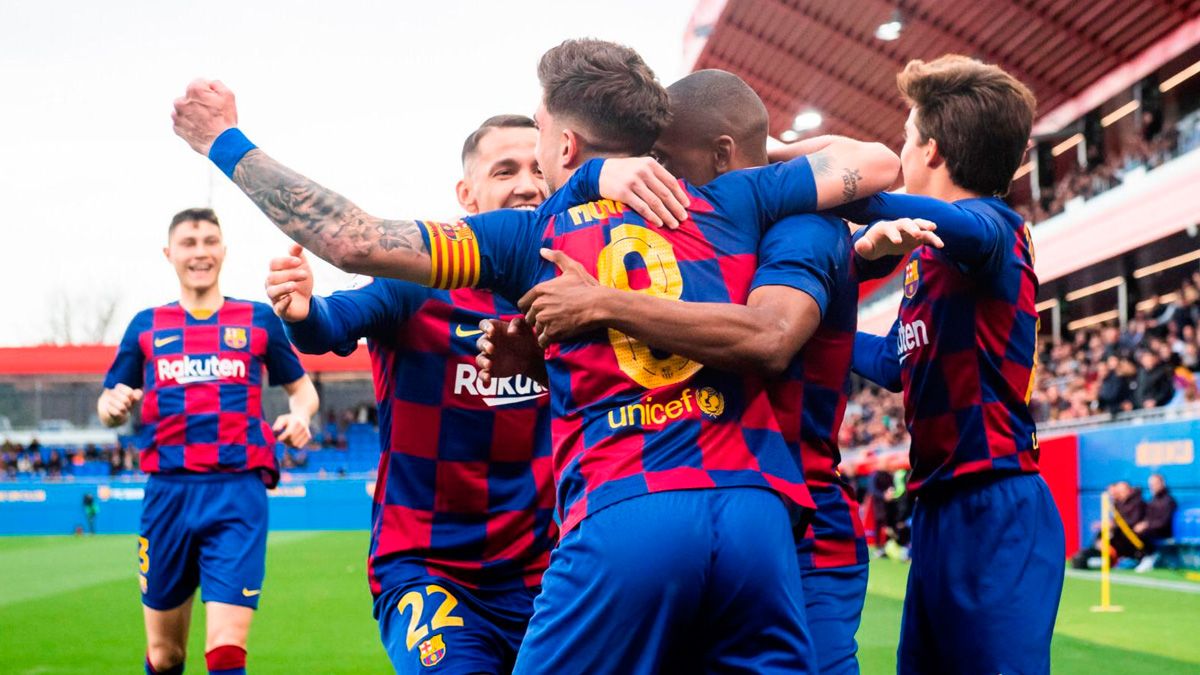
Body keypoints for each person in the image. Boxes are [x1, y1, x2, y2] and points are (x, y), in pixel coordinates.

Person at [171, 38, 901, 672]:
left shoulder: (531, 238)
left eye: (543, 134)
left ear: (564, 147)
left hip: (625, 514)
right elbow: (875, 163)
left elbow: (353, 239)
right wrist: (753, 147)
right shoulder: (741, 200)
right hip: (757, 522)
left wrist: (223, 140)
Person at [484, 69, 931, 674]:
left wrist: (603, 302)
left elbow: (767, 339)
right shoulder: (695, 242)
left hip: (800, 524)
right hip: (731, 513)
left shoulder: (797, 227)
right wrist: (547, 358)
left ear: (721, 155)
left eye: (665, 157)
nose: (655, 173)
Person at [264, 115, 560, 674]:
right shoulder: (419, 280)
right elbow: (333, 323)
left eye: (538, 169)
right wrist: (302, 312)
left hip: (553, 574)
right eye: (506, 170)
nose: (527, 183)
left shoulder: (579, 287)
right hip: (432, 572)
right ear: (466, 195)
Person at [845, 55, 1066, 674]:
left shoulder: (995, 231)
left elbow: (962, 228)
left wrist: (852, 195)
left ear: (933, 152)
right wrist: (808, 328)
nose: (901, 150)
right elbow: (892, 361)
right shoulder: (927, 260)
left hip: (997, 506)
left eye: (906, 138)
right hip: (937, 510)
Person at [98, 208, 319, 675]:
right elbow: (107, 401)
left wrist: (300, 417)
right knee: (165, 656)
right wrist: (113, 406)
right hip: (167, 495)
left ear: (223, 250)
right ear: (169, 253)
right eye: (189, 242)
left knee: (224, 651)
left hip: (238, 493)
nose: (200, 252)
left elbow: (303, 391)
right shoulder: (145, 326)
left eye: (209, 241)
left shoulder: (258, 320)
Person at [1135, 473, 1179, 572]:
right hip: (1153, 530)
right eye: (1151, 485)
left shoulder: (1168, 501)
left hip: (1164, 531)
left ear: (1162, 483)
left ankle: (1150, 556)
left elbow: (1164, 522)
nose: (1153, 487)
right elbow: (1148, 517)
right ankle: (1144, 557)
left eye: (1155, 484)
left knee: (1144, 533)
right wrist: (1143, 524)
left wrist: (1147, 525)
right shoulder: (1153, 500)